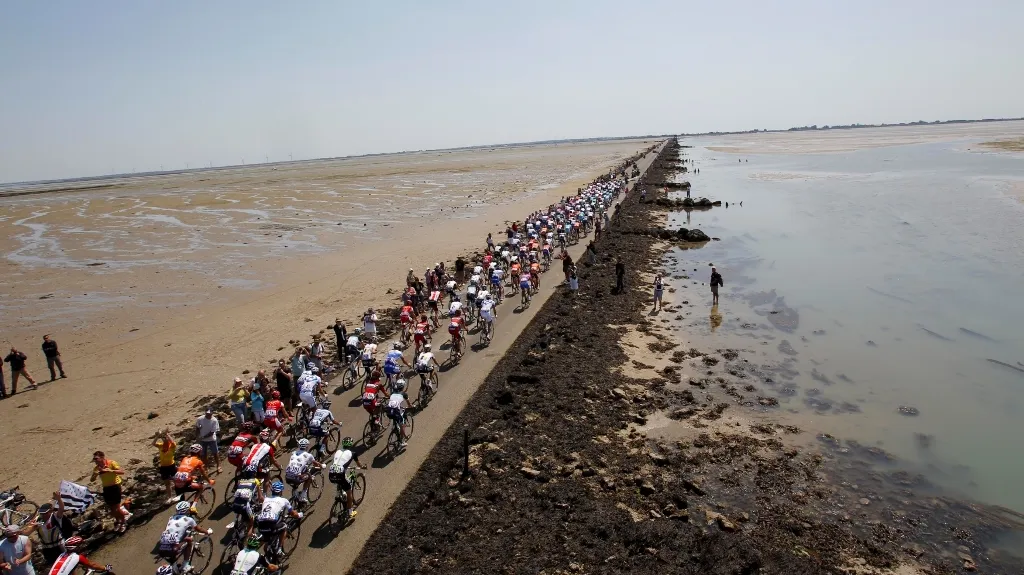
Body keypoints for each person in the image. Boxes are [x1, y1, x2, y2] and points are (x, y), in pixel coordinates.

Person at [158, 501, 208, 574]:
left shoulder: (171, 518)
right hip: (173, 548)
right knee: (189, 540)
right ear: (187, 510)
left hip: (162, 548)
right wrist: (207, 532)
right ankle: (185, 565)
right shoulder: (189, 519)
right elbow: (198, 529)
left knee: (174, 556)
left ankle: (175, 569)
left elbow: (171, 530)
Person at [24, 492, 72, 565]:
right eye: (42, 513)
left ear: (50, 511)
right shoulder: (37, 520)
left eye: (45, 513)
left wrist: (59, 499)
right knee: (53, 566)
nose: (43, 515)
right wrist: (31, 527)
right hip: (47, 549)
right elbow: (27, 533)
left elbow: (61, 509)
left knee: (67, 564)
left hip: (59, 546)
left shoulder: (55, 517)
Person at [256, 481, 301, 557]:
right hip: (271, 526)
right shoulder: (284, 501)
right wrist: (300, 514)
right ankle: (279, 549)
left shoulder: (266, 499)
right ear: (280, 492)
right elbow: (293, 514)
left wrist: (258, 487)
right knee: (284, 526)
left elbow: (260, 498)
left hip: (260, 526)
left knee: (265, 538)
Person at [90, 451, 130, 532]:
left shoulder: (111, 463)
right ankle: (118, 521)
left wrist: (110, 471)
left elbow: (121, 472)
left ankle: (123, 521)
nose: (95, 461)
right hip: (106, 488)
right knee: (112, 508)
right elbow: (92, 480)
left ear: (102, 457)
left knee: (116, 508)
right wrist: (95, 474)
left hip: (115, 486)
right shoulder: (96, 468)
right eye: (94, 459)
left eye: (96, 459)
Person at [328, 437, 365, 519]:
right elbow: (359, 465)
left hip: (331, 473)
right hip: (340, 474)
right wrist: (363, 467)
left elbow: (339, 461)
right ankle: (350, 511)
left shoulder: (337, 451)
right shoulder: (353, 453)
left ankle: (339, 495)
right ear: (351, 444)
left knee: (339, 481)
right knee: (349, 491)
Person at [45, 536, 112, 575]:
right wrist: (105, 568)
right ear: (76, 547)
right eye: (80, 545)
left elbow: (68, 569)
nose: (82, 546)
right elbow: (93, 565)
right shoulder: (77, 557)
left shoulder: (62, 555)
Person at [284, 438, 323, 505]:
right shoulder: (309, 455)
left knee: (299, 473)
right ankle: (303, 495)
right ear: (307, 446)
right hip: (296, 478)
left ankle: (295, 494)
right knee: (309, 476)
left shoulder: (293, 453)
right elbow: (315, 464)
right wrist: (322, 466)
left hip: (287, 476)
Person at [152, 429, 178, 500]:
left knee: (176, 481)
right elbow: (153, 443)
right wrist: (157, 436)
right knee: (167, 483)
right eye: (163, 438)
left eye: (165, 438)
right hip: (163, 467)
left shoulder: (172, 446)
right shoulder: (161, 446)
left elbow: (172, 442)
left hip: (171, 466)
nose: (164, 439)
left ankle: (178, 493)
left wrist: (167, 434)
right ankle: (169, 497)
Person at [386, 379, 411, 447]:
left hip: (388, 410)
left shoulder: (392, 393)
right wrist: (411, 407)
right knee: (402, 425)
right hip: (396, 411)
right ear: (403, 387)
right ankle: (401, 442)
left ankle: (395, 428)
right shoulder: (404, 394)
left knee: (395, 419)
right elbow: (409, 405)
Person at [195, 408, 221, 472]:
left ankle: (218, 466)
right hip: (202, 441)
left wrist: (203, 437)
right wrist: (197, 436)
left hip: (212, 439)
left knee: (215, 453)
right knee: (203, 454)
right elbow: (197, 428)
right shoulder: (200, 419)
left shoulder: (214, 420)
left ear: (212, 413)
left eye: (209, 414)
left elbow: (212, 432)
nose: (208, 415)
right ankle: (206, 467)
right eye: (207, 414)